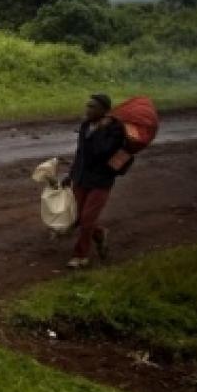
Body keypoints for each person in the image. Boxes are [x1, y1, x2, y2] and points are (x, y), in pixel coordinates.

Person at [63, 93, 126, 269]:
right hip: (82, 177)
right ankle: (100, 234)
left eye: (92, 107)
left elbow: (102, 152)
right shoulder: (85, 125)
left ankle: (81, 256)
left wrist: (99, 130)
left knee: (87, 219)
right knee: (77, 217)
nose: (88, 110)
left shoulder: (115, 129)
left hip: (101, 180)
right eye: (88, 106)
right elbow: (80, 153)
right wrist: (70, 175)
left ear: (105, 111)